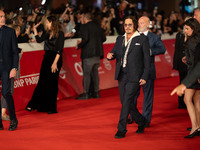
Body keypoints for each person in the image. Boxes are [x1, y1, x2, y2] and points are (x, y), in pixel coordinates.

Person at [107, 16, 151, 138]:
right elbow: (115, 52)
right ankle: (141, 121)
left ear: (135, 25)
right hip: (122, 75)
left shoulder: (142, 39)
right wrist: (111, 55)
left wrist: (145, 76)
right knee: (125, 102)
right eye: (125, 25)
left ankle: (121, 129)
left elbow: (147, 60)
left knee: (126, 101)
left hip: (135, 76)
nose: (127, 27)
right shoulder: (119, 38)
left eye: (130, 25)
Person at [128, 16, 166, 126]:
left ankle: (145, 120)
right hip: (134, 71)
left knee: (148, 96)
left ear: (147, 24)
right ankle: (133, 116)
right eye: (138, 23)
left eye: (141, 23)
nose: (138, 25)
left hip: (148, 71)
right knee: (133, 95)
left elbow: (162, 49)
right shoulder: (133, 36)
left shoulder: (154, 37)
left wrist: (149, 51)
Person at [25, 16, 64, 114]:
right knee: (42, 81)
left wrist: (55, 63)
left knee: (52, 83)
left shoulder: (60, 34)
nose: (46, 24)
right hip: (46, 58)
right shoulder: (47, 33)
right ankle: (35, 105)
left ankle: (51, 107)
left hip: (56, 59)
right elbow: (39, 40)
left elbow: (59, 49)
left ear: (52, 23)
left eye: (48, 22)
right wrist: (34, 30)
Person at [75, 12, 106, 100]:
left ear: (85, 18)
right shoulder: (97, 26)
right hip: (97, 54)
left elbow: (85, 39)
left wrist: (79, 45)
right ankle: (96, 93)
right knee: (95, 74)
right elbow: (104, 38)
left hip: (88, 54)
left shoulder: (85, 27)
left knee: (87, 74)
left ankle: (86, 93)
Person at [179, 18, 200, 138]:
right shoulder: (196, 39)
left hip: (194, 74)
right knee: (197, 101)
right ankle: (198, 125)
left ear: (193, 28)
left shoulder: (192, 41)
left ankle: (194, 127)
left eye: (187, 29)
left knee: (187, 99)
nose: (185, 31)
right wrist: (187, 58)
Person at [0, 10, 19, 131]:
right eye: (1, 16)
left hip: (6, 67)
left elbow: (15, 52)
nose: (3, 18)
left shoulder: (10, 31)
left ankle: (13, 119)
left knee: (6, 93)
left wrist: (14, 68)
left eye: (3, 16)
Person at [1, 25, 23, 121]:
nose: (18, 33)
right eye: (17, 31)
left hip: (8, 68)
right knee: (8, 91)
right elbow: (14, 53)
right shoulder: (9, 38)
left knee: (6, 91)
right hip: (8, 69)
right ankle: (3, 113)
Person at [172, 17, 192, 109]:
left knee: (191, 83)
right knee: (181, 81)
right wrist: (175, 64)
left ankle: (190, 102)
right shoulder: (179, 35)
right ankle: (181, 103)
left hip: (190, 63)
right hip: (181, 63)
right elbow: (177, 50)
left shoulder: (194, 36)